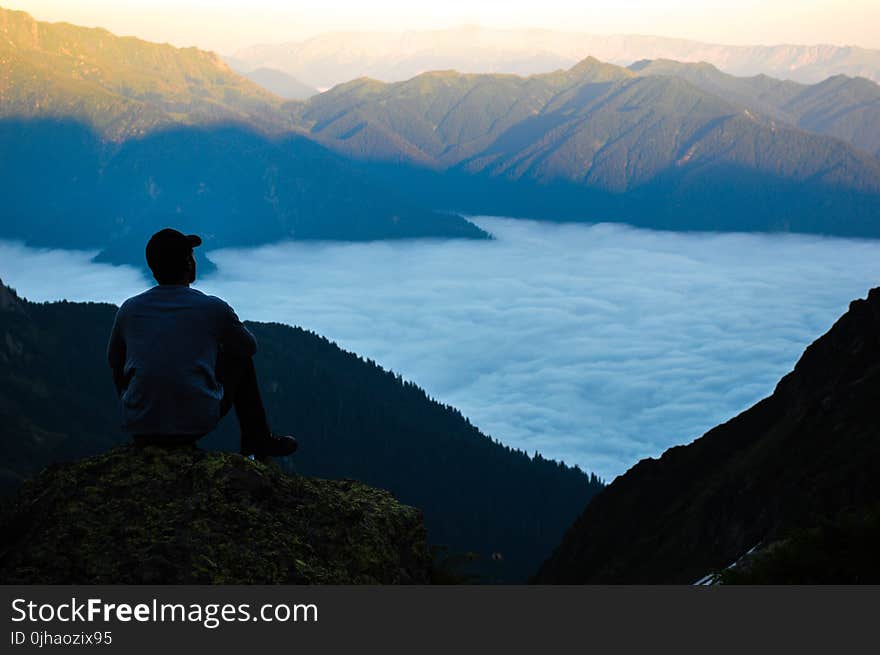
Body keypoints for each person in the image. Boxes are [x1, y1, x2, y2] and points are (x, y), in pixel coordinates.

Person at [107, 228, 298, 459]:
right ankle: (258, 441)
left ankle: (141, 413)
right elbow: (249, 347)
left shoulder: (129, 309)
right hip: (194, 421)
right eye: (192, 256)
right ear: (189, 264)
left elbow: (114, 362)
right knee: (240, 360)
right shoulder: (212, 308)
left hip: (140, 423)